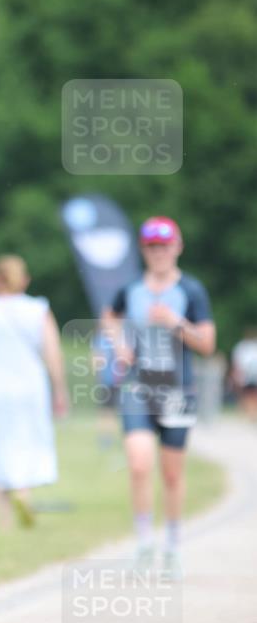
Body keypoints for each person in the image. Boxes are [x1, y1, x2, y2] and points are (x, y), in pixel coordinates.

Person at [104, 216, 216, 578]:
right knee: (139, 465)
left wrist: (176, 323)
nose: (159, 252)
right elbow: (110, 315)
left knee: (171, 474)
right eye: (152, 246)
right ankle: (142, 544)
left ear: (177, 247)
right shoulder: (131, 288)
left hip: (177, 392)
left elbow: (208, 345)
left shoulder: (192, 291)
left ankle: (172, 545)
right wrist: (119, 345)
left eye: (164, 245)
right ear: (144, 250)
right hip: (138, 388)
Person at [0, 255, 68, 528]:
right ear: (24, 280)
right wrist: (60, 390)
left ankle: (5, 518)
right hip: (31, 386)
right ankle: (23, 495)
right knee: (25, 443)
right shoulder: (39, 309)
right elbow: (52, 353)